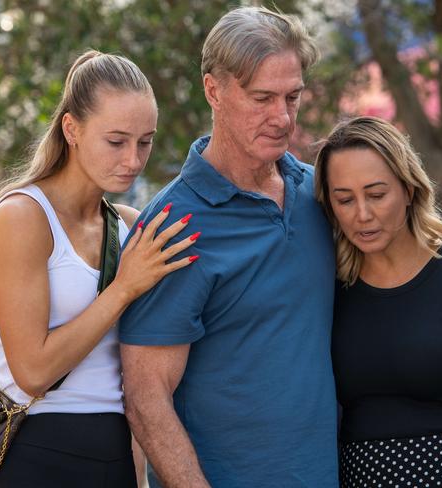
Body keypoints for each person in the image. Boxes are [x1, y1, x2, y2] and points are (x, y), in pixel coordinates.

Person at [119, 6, 339, 488]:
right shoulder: (172, 225)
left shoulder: (320, 194)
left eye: (293, 97)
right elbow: (145, 397)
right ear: (213, 91)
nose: (282, 117)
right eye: (262, 98)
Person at [0, 50, 198, 487]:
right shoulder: (23, 217)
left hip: (114, 453)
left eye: (145, 141)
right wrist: (124, 287)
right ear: (71, 129)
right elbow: (32, 373)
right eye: (116, 141)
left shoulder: (131, 225)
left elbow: (134, 373)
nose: (133, 159)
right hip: (36, 451)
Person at [313, 116, 442, 487]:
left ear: (409, 190)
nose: (362, 214)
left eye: (377, 194)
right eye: (344, 199)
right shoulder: (327, 289)